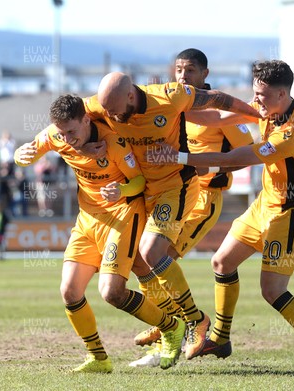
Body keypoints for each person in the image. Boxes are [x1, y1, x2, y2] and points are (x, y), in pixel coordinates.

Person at [147, 60, 294, 375]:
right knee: (222, 262)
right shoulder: (268, 106)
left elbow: (234, 157)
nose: (257, 100)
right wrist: (173, 110)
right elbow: (216, 116)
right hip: (265, 203)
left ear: (283, 94)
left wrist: (182, 157)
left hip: (290, 211)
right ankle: (220, 338)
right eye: (255, 93)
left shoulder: (291, 132)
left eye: (263, 95)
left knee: (272, 291)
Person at [83, 71, 261, 361]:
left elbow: (217, 101)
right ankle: (169, 324)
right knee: (142, 262)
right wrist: (83, 143)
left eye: (115, 111)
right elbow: (68, 120)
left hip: (177, 186)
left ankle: (195, 320)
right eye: (107, 113)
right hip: (144, 191)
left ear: (130, 95)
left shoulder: (170, 96)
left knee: (153, 251)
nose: (113, 118)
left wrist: (256, 114)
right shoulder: (103, 106)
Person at [14, 94, 187, 372]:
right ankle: (98, 358)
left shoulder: (114, 142)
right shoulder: (57, 135)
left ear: (85, 120)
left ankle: (172, 327)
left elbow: (138, 181)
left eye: (72, 131)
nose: (67, 139)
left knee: (111, 292)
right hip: (87, 219)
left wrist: (121, 190)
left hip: (123, 215)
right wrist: (20, 156)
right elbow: (28, 152)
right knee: (69, 291)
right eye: (61, 133)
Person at [129, 48, 254, 368]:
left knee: (159, 257)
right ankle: (168, 323)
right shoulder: (175, 105)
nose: (184, 76)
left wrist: (208, 169)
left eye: (191, 71)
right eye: (179, 70)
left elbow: (248, 155)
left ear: (205, 75)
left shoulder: (219, 113)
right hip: (170, 193)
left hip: (203, 200)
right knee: (143, 259)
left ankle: (179, 328)